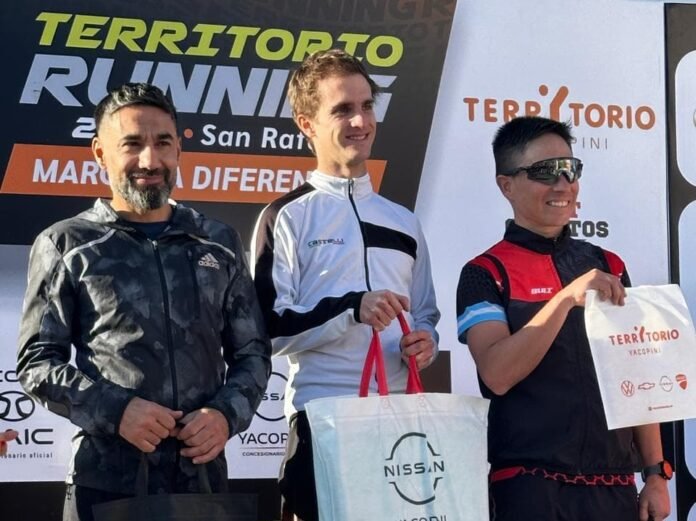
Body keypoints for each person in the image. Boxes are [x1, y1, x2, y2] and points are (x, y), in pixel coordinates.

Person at [17, 83, 271, 521]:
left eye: (163, 143)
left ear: (179, 151)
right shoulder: (67, 244)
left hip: (203, 483)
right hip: (105, 485)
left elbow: (253, 353)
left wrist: (226, 415)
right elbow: (37, 362)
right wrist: (117, 412)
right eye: (132, 144)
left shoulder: (217, 241)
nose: (150, 161)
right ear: (101, 153)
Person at [251, 49, 440, 521]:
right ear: (307, 124)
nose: (360, 121)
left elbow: (425, 315)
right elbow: (267, 330)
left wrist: (425, 342)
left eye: (367, 106)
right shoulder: (286, 216)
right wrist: (352, 308)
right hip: (324, 421)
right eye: (342, 110)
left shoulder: (403, 221)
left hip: (402, 428)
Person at [456, 116, 671, 521]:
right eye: (544, 172)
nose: (562, 184)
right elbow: (497, 374)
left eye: (570, 169)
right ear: (506, 185)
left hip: (614, 488)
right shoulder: (485, 272)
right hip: (530, 488)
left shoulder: (608, 264)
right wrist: (564, 299)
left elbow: (636, 374)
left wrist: (655, 473)